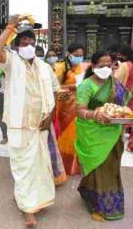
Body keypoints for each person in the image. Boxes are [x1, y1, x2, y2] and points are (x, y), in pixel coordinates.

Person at [0, 15, 60, 226]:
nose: (29, 46)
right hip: (19, 126)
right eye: (24, 43)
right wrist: (11, 26)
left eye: (32, 43)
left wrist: (50, 116)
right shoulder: (11, 62)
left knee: (39, 166)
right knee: (22, 166)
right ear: (17, 46)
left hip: (40, 125)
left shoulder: (45, 68)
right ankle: (28, 209)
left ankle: (26, 199)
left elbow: (55, 91)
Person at [75, 51, 131, 221]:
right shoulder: (86, 85)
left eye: (109, 65)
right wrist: (95, 115)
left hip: (113, 132)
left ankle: (104, 199)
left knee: (111, 168)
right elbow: (79, 110)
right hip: (93, 133)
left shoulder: (115, 83)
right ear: (93, 66)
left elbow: (121, 105)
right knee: (97, 168)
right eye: (102, 65)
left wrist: (126, 116)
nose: (106, 68)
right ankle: (96, 204)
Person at [54, 43, 88, 175]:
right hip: (65, 104)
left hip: (80, 102)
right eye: (76, 55)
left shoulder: (83, 66)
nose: (79, 58)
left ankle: (77, 164)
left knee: (78, 132)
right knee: (66, 134)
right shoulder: (61, 67)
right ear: (69, 54)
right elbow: (55, 85)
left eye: (81, 55)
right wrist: (72, 86)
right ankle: (65, 164)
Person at [115, 46, 133, 111]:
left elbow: (117, 79)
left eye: (120, 55)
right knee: (130, 111)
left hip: (123, 93)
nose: (118, 57)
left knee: (122, 112)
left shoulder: (124, 65)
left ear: (125, 56)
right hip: (132, 92)